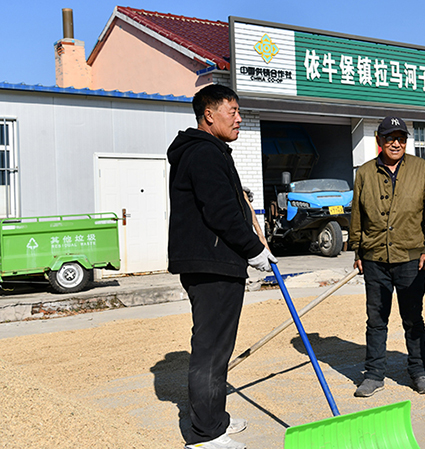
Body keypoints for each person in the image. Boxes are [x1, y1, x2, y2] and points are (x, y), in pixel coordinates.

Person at [167, 84, 276, 449]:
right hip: (212, 263)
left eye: (239, 111)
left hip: (217, 262)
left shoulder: (211, 151)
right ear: (209, 115)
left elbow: (231, 205)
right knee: (211, 350)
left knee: (218, 348)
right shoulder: (204, 153)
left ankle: (217, 419)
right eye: (233, 111)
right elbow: (221, 212)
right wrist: (253, 250)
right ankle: (204, 436)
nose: (240, 118)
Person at [348, 116, 425, 398]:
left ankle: (419, 372)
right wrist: (358, 249)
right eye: (390, 138)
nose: (396, 143)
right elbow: (357, 214)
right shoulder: (365, 173)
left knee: (413, 318)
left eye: (401, 138)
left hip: (411, 257)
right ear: (379, 141)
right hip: (375, 256)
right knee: (376, 319)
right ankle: (374, 374)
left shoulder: (421, 169)